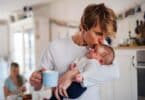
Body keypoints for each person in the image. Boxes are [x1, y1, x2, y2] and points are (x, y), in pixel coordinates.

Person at [30, 3, 119, 100]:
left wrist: (71, 74)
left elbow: (114, 73)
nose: (102, 40)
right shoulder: (55, 47)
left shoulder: (102, 48)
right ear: (83, 25)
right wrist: (36, 82)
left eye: (105, 35)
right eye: (98, 33)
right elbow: (39, 85)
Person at [50, 44, 115, 100]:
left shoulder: (93, 63)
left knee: (59, 91)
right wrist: (74, 64)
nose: (91, 50)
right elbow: (79, 61)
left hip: (77, 87)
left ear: (100, 61)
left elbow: (90, 72)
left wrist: (82, 76)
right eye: (93, 48)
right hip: (74, 81)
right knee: (58, 90)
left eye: (95, 51)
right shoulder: (87, 57)